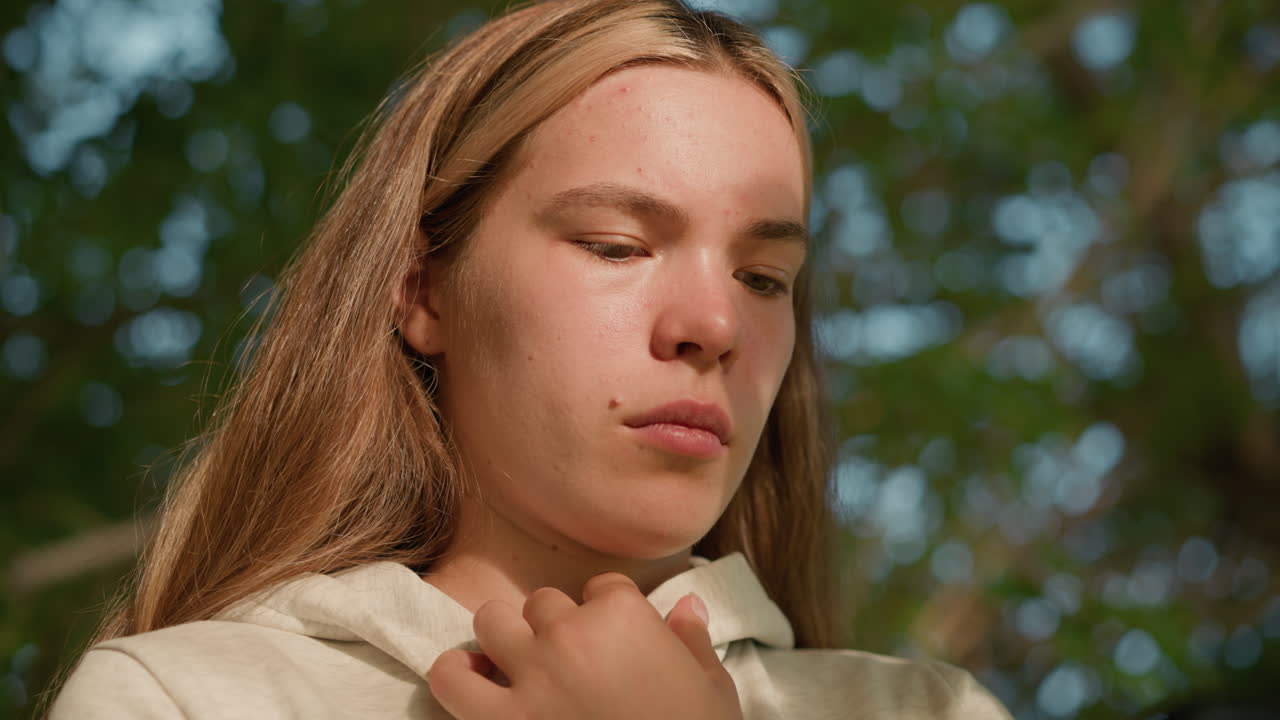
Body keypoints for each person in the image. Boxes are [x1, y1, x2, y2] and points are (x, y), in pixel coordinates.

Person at [45, 1, 1013, 717]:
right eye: (615, 245)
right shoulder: (178, 702)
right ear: (423, 291)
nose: (713, 323)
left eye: (764, 277)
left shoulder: (932, 713)